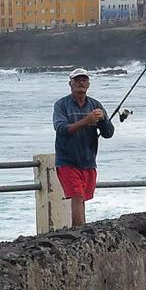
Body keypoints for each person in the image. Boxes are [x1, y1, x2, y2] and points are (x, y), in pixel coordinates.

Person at [52, 68, 127, 227]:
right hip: (67, 160)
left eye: (84, 80)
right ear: (70, 83)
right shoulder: (61, 105)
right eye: (77, 80)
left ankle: (80, 229)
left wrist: (102, 120)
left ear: (89, 84)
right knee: (77, 195)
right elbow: (62, 129)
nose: (81, 83)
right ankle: (79, 233)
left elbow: (108, 133)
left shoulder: (95, 105)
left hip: (88, 160)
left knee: (82, 197)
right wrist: (87, 120)